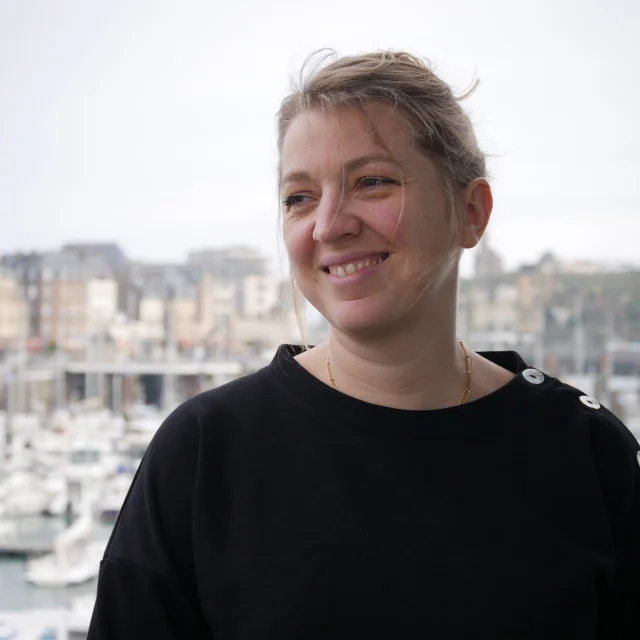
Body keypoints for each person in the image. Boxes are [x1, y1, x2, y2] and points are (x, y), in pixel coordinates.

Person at [88, 51, 640, 639]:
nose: (328, 224)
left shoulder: (586, 454)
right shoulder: (204, 455)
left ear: (470, 212)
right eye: (299, 197)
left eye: (372, 181)